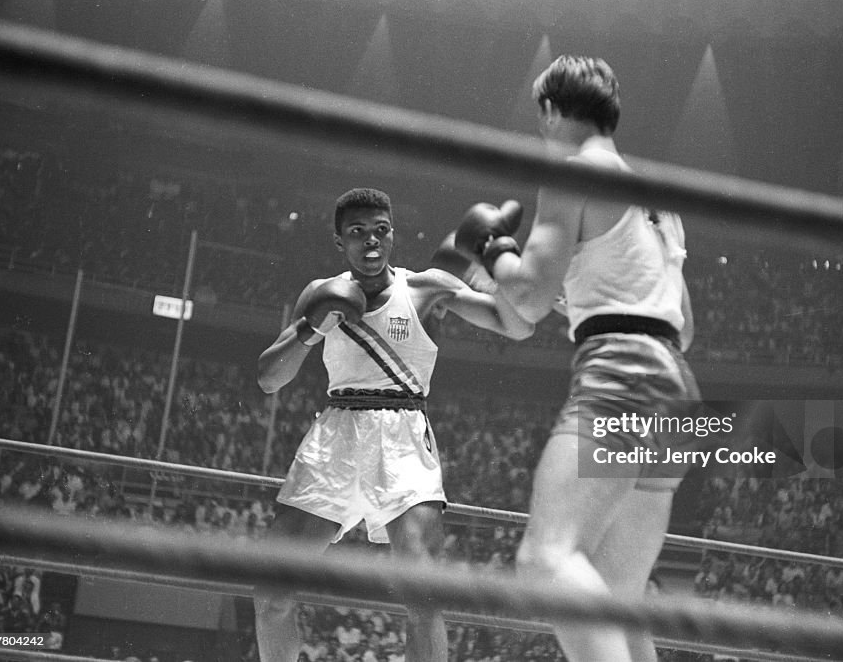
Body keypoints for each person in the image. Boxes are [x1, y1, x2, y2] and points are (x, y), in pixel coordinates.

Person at [454, 55, 699, 662]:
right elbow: (683, 326)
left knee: (546, 559)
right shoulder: (658, 204)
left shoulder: (572, 173)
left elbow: (530, 297)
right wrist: (576, 299)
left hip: (622, 375)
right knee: (617, 600)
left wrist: (491, 247)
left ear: (550, 111)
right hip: (674, 385)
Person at [255, 187, 533, 662]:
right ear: (339, 241)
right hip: (336, 435)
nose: (371, 241)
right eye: (357, 231)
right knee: (270, 590)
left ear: (392, 234)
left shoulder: (425, 288)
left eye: (380, 230)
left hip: (404, 438)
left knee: (424, 599)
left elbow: (517, 325)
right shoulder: (321, 292)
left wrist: (492, 266)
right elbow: (268, 379)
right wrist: (311, 326)